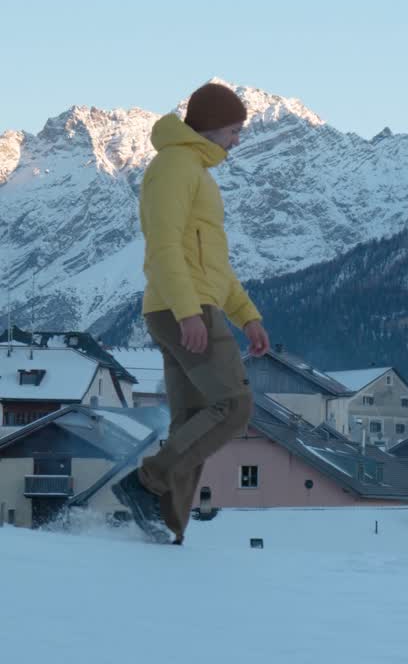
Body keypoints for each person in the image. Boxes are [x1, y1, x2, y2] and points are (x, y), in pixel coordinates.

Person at [113, 82, 271, 544]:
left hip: (188, 305)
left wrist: (247, 316)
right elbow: (162, 248)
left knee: (193, 421)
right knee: (234, 406)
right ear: (210, 127)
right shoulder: (174, 168)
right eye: (234, 130)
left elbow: (213, 266)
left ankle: (164, 525)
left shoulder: (197, 171)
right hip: (183, 309)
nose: (238, 140)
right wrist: (188, 314)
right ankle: (147, 484)